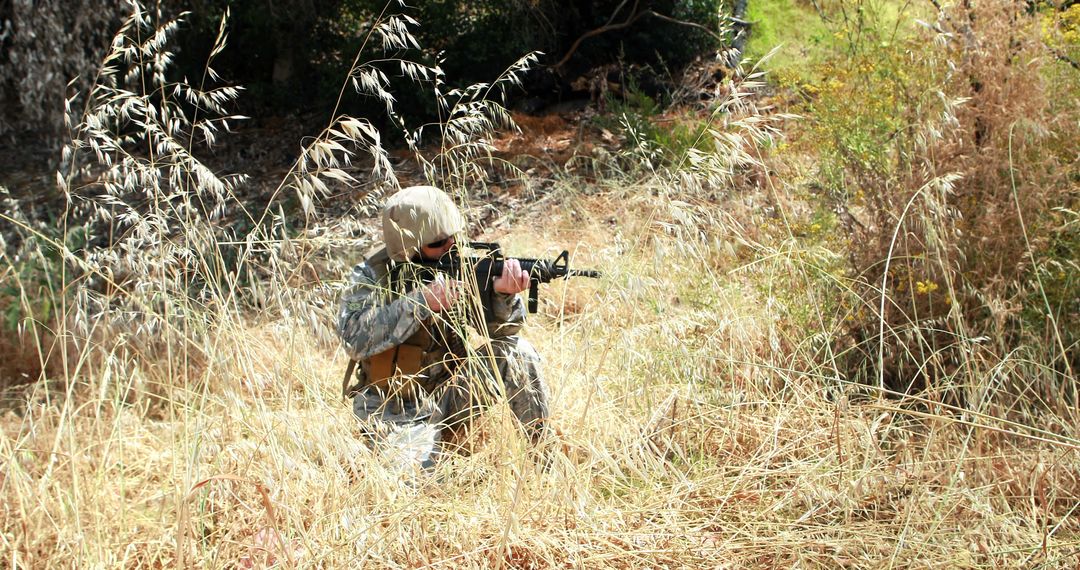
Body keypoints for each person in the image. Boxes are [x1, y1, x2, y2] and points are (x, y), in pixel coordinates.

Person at [337, 185, 549, 468]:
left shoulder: (462, 266)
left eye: (453, 238)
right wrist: (420, 302)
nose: (450, 247)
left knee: (518, 353)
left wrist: (501, 296)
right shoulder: (372, 276)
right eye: (437, 244)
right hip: (393, 410)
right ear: (408, 247)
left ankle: (542, 460)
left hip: (451, 394)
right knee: (418, 485)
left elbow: (504, 334)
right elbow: (353, 340)